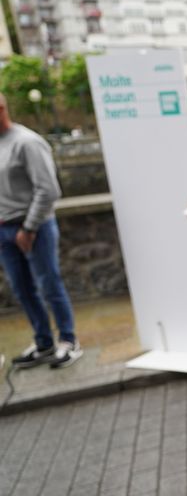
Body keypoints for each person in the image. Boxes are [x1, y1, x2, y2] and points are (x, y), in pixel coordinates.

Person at [0, 92, 82, 369]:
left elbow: (48, 189)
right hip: (5, 231)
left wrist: (29, 227)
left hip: (34, 228)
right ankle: (44, 342)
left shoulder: (27, 143)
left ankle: (68, 341)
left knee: (49, 285)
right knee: (22, 289)